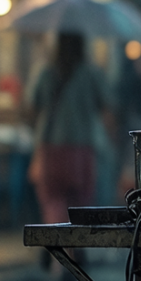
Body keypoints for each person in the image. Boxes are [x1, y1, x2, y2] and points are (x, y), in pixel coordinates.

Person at [28, 33, 114, 230]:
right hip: (82, 149)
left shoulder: (46, 72)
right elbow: (108, 110)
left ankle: (60, 251)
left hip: (50, 148)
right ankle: (78, 247)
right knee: (81, 204)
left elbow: (31, 107)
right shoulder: (92, 73)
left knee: (53, 203)